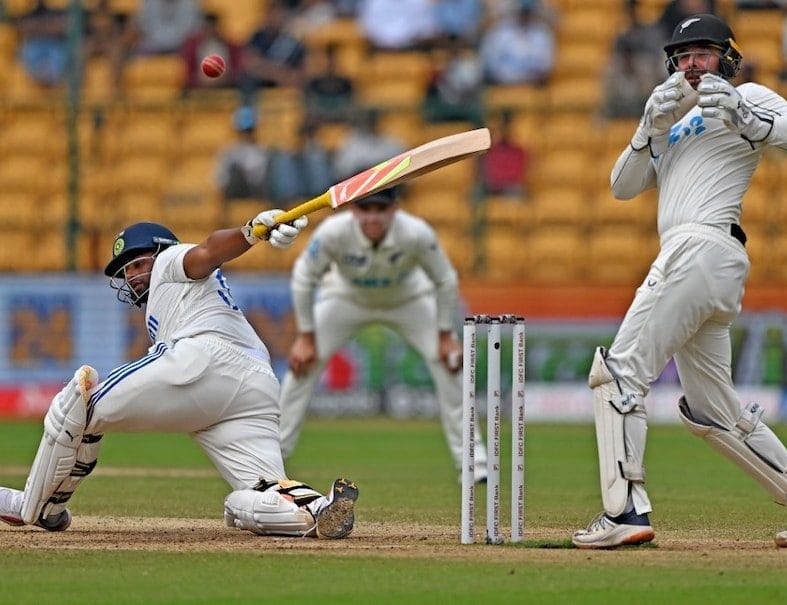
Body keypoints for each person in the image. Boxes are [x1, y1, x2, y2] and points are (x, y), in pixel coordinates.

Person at [572, 13, 787, 549]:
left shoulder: (749, 96)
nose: (691, 64)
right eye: (682, 56)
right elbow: (622, 188)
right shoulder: (671, 120)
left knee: (618, 374)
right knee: (711, 409)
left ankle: (624, 511)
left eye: (702, 53)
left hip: (700, 246)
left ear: (727, 57)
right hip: (704, 261)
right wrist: (646, 128)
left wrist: (754, 121)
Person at [0, 213, 359, 539]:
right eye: (126, 270)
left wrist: (250, 232)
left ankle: (35, 507)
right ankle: (317, 508)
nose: (132, 274)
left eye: (138, 263)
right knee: (258, 492)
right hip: (255, 387)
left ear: (160, 253)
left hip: (205, 360)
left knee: (79, 400)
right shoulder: (176, 297)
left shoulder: (170, 262)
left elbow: (209, 250)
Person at [277, 187, 488, 481]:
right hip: (345, 298)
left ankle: (474, 463)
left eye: (380, 209)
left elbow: (445, 279)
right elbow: (303, 276)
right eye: (366, 209)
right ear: (353, 210)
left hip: (408, 299)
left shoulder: (416, 233)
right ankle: (272, 457)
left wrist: (444, 334)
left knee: (451, 363)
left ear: (394, 210)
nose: (372, 217)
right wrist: (305, 337)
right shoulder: (333, 233)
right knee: (301, 366)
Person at [215, 105, 271, 201]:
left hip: (257, 191)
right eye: (243, 131)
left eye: (249, 130)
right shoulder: (229, 151)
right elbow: (220, 179)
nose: (246, 134)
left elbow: (260, 177)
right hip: (235, 191)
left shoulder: (263, 151)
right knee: (234, 170)